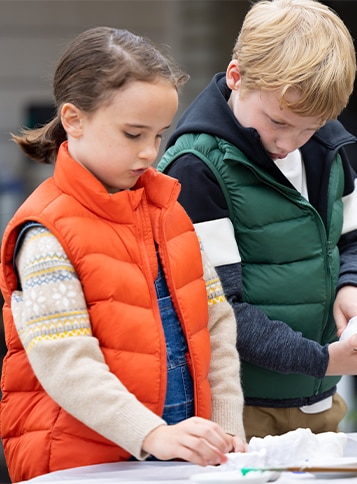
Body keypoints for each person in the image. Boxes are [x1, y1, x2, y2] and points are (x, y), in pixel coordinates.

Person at [0, 27, 246, 483]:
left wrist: (227, 426)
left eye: (158, 135)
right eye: (133, 133)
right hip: (80, 465)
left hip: (177, 461)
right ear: (73, 119)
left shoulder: (171, 213)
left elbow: (216, 322)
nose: (150, 153)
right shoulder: (44, 233)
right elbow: (65, 360)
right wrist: (151, 433)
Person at [157, 0, 357, 441]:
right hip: (237, 412)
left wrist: (350, 286)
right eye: (278, 122)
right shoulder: (196, 167)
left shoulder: (329, 147)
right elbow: (220, 308)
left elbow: (351, 239)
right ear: (236, 77)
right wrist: (321, 360)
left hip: (321, 403)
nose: (290, 143)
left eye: (310, 128)